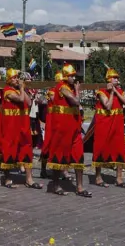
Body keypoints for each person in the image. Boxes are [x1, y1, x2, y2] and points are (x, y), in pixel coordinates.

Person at [42, 64, 88, 197]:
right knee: (59, 156)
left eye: (74, 76)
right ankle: (56, 186)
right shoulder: (62, 87)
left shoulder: (70, 87)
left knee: (79, 155)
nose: (74, 78)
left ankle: (79, 187)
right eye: (71, 76)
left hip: (74, 128)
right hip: (62, 128)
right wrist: (78, 91)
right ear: (65, 76)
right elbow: (75, 102)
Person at [92, 67, 125, 189]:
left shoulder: (121, 92)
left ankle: (119, 178)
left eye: (117, 78)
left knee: (119, 149)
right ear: (108, 79)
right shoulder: (101, 92)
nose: (117, 80)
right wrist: (112, 92)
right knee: (101, 148)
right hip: (104, 125)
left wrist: (116, 91)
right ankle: (98, 177)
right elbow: (107, 106)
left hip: (117, 125)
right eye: (114, 78)